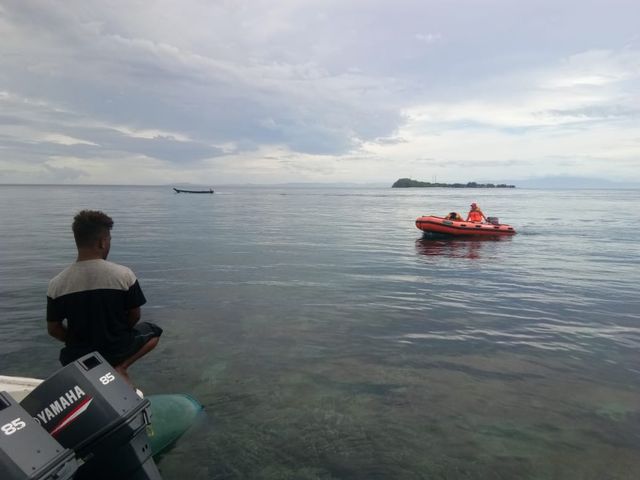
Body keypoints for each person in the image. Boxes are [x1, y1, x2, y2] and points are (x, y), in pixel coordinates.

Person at [46, 210, 162, 385]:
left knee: (73, 349)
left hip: (78, 354)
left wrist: (76, 339)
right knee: (154, 332)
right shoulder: (123, 275)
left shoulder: (57, 284)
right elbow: (135, 315)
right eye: (109, 240)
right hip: (117, 348)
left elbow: (54, 328)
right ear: (102, 242)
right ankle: (121, 367)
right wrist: (118, 333)